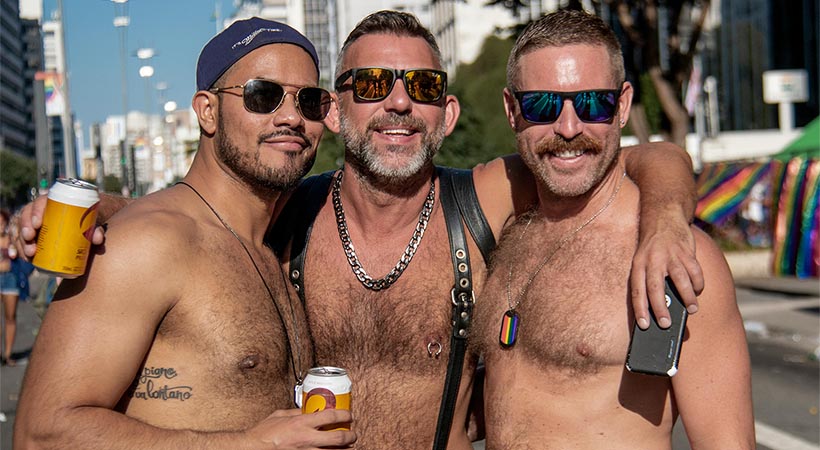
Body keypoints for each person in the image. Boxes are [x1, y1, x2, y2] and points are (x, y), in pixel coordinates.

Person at [14, 11, 702, 449]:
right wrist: (107, 209)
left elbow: (626, 156)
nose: (398, 103)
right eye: (371, 85)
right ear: (337, 113)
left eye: (421, 88)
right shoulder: (289, 215)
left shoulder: (482, 202)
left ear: (448, 113)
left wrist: (668, 219)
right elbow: (194, 216)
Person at [13, 18, 355, 449]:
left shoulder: (274, 241)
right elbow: (42, 434)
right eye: (262, 95)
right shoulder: (147, 244)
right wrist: (250, 445)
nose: (291, 117)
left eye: (309, 101)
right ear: (207, 111)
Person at [474, 10, 754, 449]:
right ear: (512, 110)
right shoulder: (504, 227)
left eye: (593, 103)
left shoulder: (678, 258)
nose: (569, 128)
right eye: (542, 105)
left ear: (622, 106)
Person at [0, 208, 20, 366]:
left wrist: (14, 238)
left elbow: (18, 255)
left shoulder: (12, 238)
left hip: (11, 279)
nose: (0, 226)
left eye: (2, 222)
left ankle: (7, 354)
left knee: (10, 317)